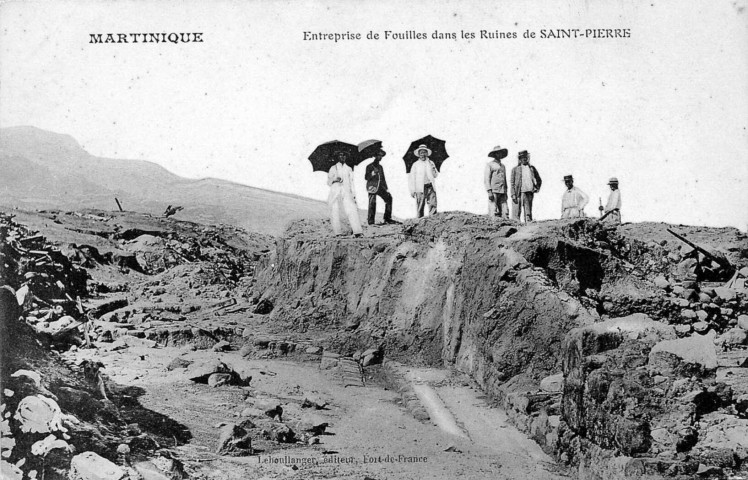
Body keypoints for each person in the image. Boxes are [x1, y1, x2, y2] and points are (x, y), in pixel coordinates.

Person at [327, 151, 363, 237]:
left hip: (346, 191)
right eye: (340, 155)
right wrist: (335, 179)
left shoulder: (349, 169)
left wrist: (353, 194)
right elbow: (328, 182)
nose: (342, 157)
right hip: (335, 192)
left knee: (352, 208)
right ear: (338, 157)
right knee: (335, 210)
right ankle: (338, 232)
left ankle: (357, 231)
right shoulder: (333, 168)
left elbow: (351, 182)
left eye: (344, 155)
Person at [364, 149, 394, 225]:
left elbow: (383, 178)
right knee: (372, 202)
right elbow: (366, 177)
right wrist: (372, 174)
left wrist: (386, 188)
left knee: (389, 198)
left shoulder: (380, 167)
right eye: (378, 155)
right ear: (375, 156)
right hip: (372, 186)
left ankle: (387, 218)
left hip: (380, 186)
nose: (380, 157)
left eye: (381, 156)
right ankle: (371, 222)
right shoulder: (369, 166)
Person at [510, 150, 542, 222]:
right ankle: (516, 226)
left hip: (529, 192)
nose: (524, 159)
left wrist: (537, 187)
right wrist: (513, 194)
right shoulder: (515, 169)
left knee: (528, 212)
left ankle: (528, 227)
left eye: (525, 157)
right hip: (519, 192)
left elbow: (539, 179)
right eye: (522, 157)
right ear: (520, 159)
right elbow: (512, 183)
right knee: (516, 212)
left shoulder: (531, 168)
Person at [408, 144, 438, 218]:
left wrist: (433, 168)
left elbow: (435, 175)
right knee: (420, 206)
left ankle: (432, 221)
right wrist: (412, 190)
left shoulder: (430, 163)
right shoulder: (415, 165)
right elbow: (412, 178)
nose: (423, 154)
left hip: (430, 186)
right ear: (418, 154)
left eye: (424, 152)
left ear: (427, 154)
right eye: (421, 153)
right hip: (420, 188)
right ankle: (419, 222)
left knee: (432, 204)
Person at [484, 145, 509, 218]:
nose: (499, 154)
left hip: (502, 191)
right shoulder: (490, 165)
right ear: (494, 154)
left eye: (500, 153)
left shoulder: (503, 166)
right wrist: (489, 191)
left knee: (505, 211)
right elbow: (486, 179)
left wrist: (506, 191)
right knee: (493, 210)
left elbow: (505, 179)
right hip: (494, 190)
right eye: (498, 153)